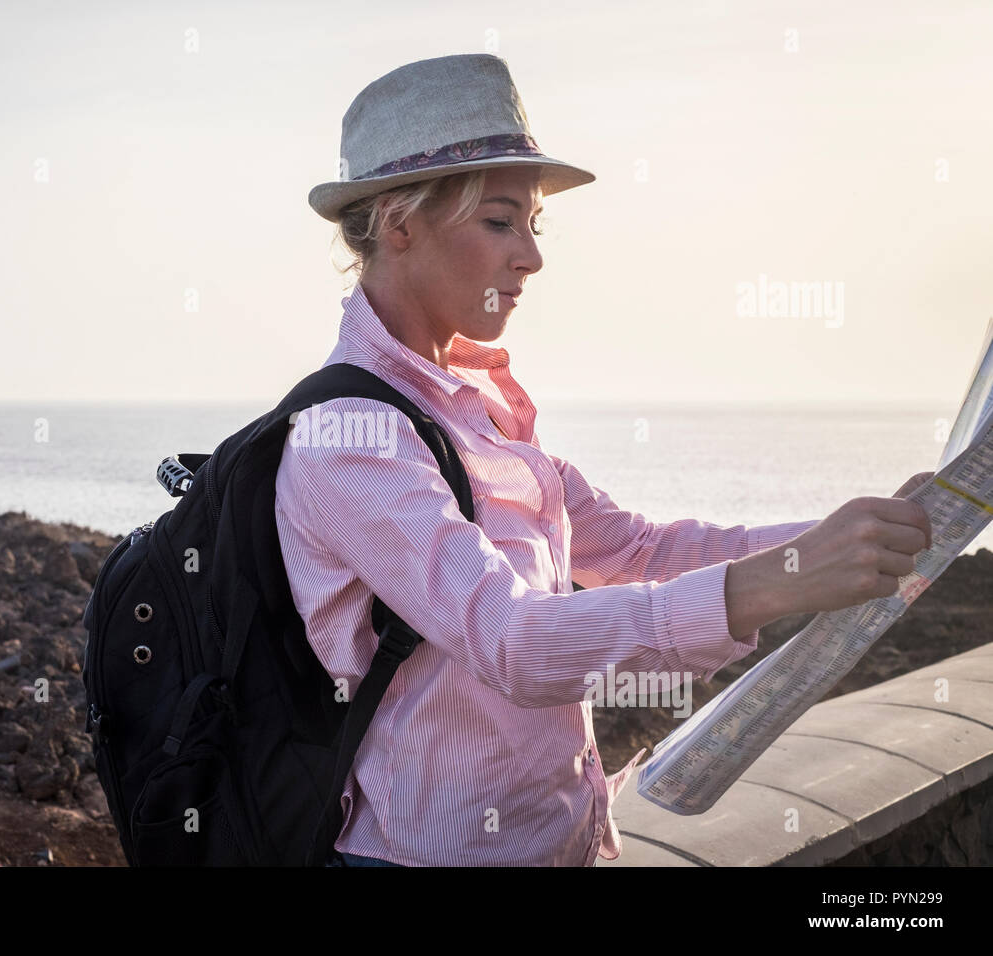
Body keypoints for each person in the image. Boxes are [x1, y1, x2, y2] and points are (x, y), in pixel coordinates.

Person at [277, 53, 934, 867]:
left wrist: (861, 536)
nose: (531, 257)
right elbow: (509, 640)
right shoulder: (348, 437)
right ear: (398, 223)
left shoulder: (474, 410)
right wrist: (785, 581)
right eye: (499, 221)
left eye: (534, 225)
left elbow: (639, 551)